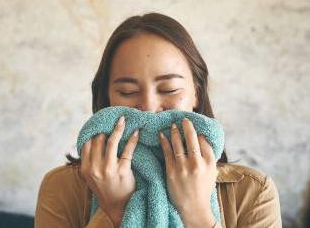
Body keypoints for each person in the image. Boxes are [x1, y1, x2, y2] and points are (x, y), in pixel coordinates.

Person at [35, 13, 282, 227]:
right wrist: (114, 211)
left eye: (169, 89)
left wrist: (196, 212)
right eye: (128, 92)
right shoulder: (62, 187)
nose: (149, 108)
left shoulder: (254, 191)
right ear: (107, 98)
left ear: (196, 93)